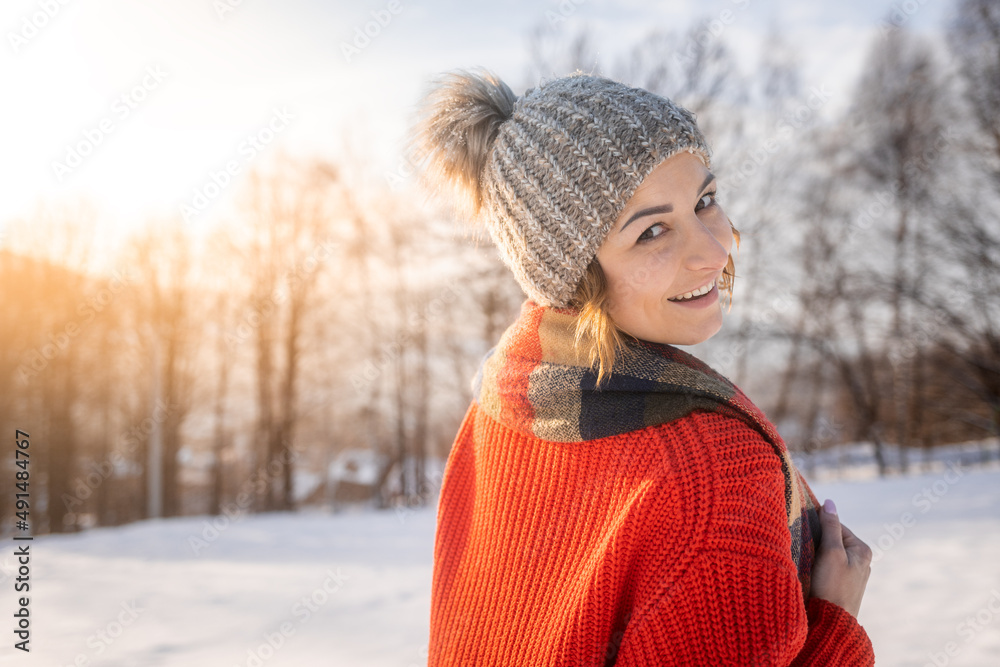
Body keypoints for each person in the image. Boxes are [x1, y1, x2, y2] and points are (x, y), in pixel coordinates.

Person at [407, 67, 875, 666]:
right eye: (653, 231)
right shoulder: (713, 476)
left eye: (705, 200)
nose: (715, 247)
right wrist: (834, 630)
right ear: (571, 274)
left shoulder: (501, 407)